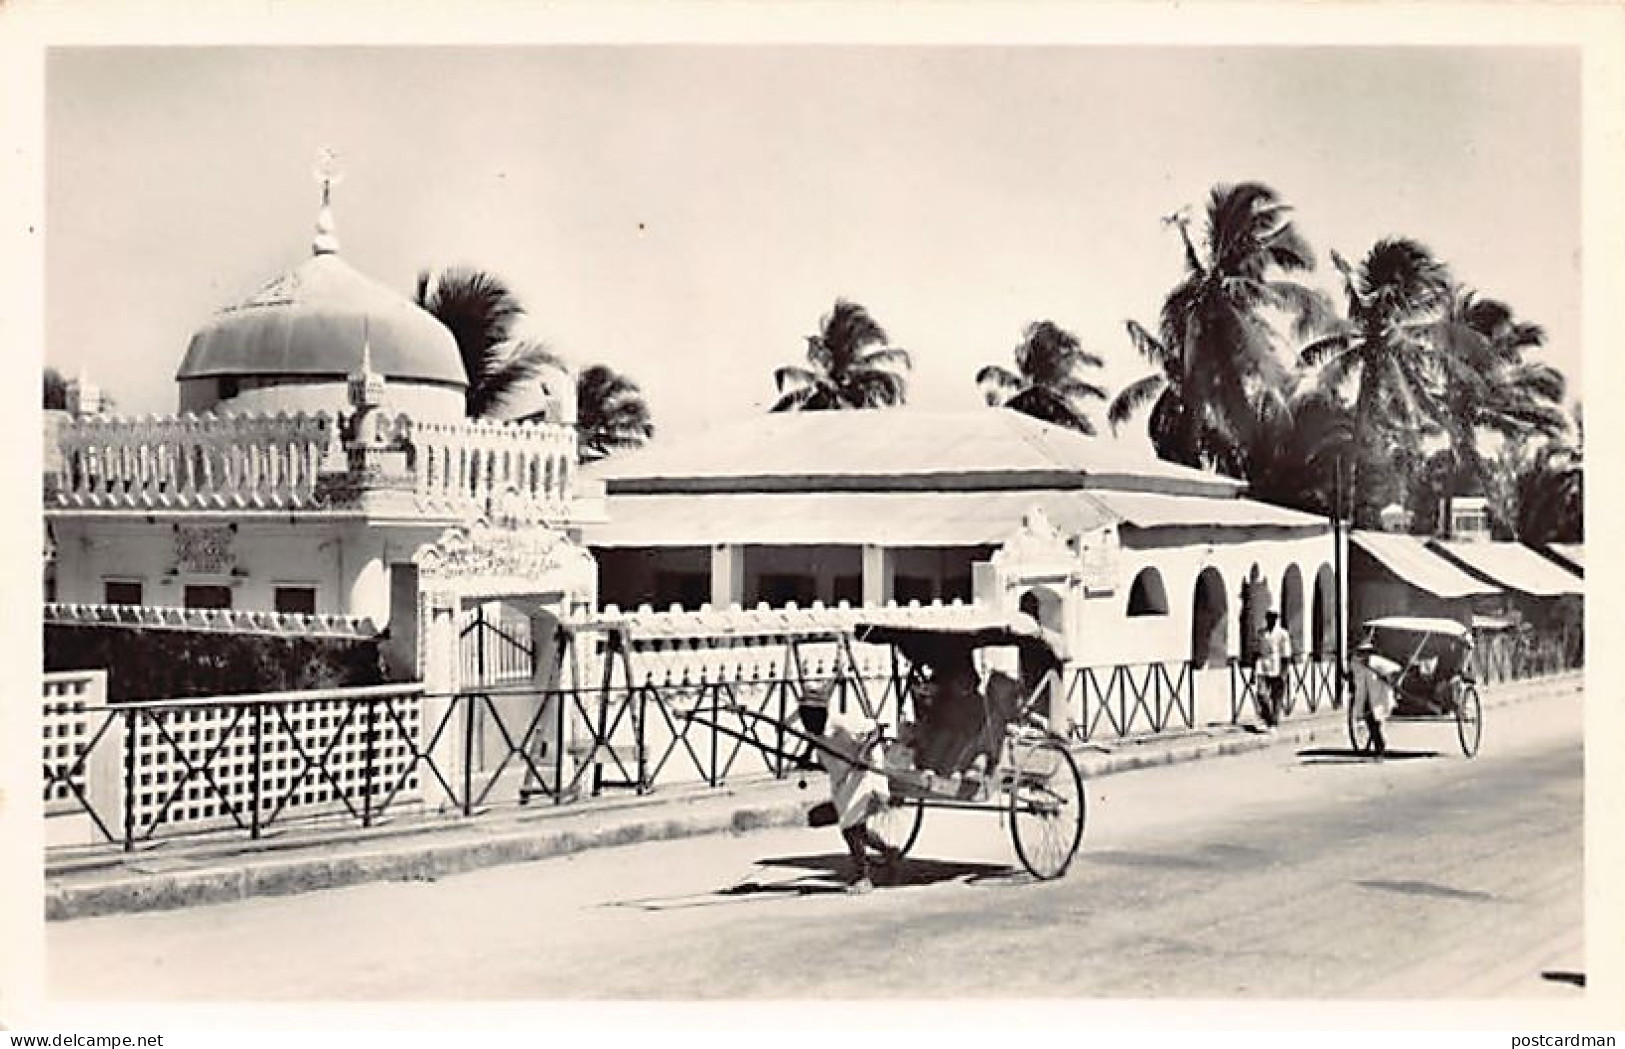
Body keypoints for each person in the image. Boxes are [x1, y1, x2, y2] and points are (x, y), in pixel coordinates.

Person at [797, 689, 899, 894]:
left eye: (810, 716)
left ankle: (863, 877)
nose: (807, 722)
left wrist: (863, 755)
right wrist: (805, 756)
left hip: (864, 772)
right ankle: (888, 852)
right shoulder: (813, 727)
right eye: (803, 716)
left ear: (822, 714)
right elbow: (813, 739)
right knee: (856, 828)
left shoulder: (842, 723)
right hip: (842, 777)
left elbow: (874, 731)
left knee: (850, 827)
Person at [1351, 638, 1396, 758]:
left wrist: (1387, 677)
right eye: (1361, 652)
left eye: (1366, 652)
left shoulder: (1378, 662)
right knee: (1371, 724)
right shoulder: (1357, 665)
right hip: (1365, 698)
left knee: (1375, 723)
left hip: (1379, 697)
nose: (1363, 655)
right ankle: (1379, 747)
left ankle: (1380, 749)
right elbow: (1357, 681)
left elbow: (1394, 671)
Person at [1256, 610, 1292, 733]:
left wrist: (1284, 672)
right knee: (1261, 694)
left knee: (1276, 697)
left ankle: (1273, 722)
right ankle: (1268, 718)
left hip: (1277, 666)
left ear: (1277, 618)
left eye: (1274, 617)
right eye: (1269, 617)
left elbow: (1286, 654)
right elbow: (1257, 651)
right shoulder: (1261, 633)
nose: (1271, 619)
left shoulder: (1282, 634)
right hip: (1262, 666)